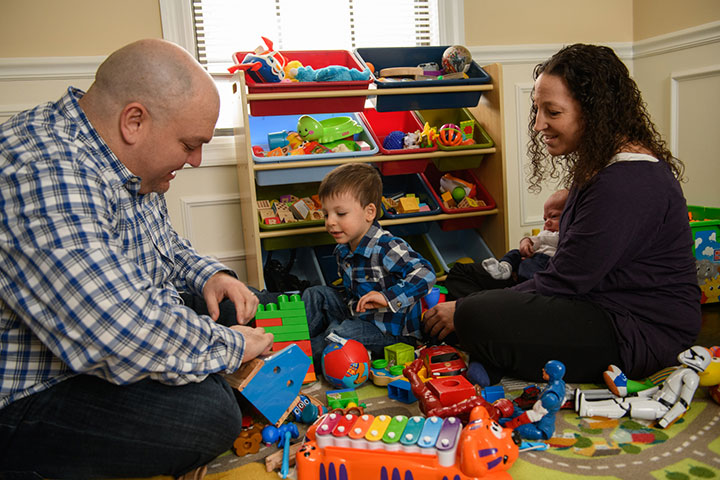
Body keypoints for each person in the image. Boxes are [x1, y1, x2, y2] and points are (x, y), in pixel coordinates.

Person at [0, 39, 274, 479]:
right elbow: (114, 327)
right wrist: (233, 347)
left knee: (239, 304)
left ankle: (205, 362)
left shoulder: (125, 160)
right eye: (189, 144)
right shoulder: (44, 171)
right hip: (37, 389)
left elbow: (161, 240)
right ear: (134, 121)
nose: (197, 161)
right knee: (209, 417)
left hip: (116, 326)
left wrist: (208, 275)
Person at [422, 43, 700, 387]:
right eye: (538, 110)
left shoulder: (626, 183)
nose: (539, 125)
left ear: (596, 112)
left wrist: (464, 312)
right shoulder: (601, 163)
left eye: (553, 113)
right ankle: (490, 349)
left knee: (476, 313)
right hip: (592, 299)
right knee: (464, 277)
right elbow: (565, 268)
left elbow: (565, 282)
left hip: (636, 329)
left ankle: (485, 347)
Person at [302, 163, 436, 364]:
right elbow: (350, 293)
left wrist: (387, 297)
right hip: (360, 316)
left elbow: (425, 273)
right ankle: (300, 338)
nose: (329, 222)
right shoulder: (343, 250)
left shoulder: (386, 246)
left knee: (340, 334)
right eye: (326, 214)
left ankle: (301, 357)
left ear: (369, 212)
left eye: (340, 214)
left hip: (393, 333)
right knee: (317, 293)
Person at [445, 188, 568, 299]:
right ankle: (505, 267)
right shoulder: (547, 235)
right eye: (545, 219)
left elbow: (540, 239)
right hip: (523, 268)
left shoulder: (564, 236)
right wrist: (525, 243)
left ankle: (481, 306)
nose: (547, 223)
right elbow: (535, 240)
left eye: (553, 216)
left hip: (536, 277)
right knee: (514, 253)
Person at [577, 346, 711, 428]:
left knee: (625, 407)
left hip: (662, 407)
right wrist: (639, 395)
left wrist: (666, 420)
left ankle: (588, 409)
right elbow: (659, 387)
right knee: (622, 401)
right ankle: (586, 403)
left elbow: (683, 403)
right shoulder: (680, 370)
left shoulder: (692, 377)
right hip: (654, 399)